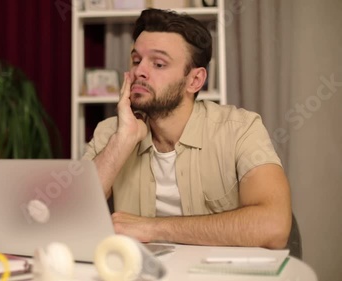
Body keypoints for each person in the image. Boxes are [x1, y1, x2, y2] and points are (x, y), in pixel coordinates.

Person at [82, 8, 292, 249]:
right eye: (136, 60)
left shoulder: (241, 129)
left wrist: (151, 228)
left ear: (194, 81)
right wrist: (123, 140)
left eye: (158, 64)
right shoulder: (110, 133)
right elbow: (70, 219)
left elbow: (274, 228)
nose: (139, 71)